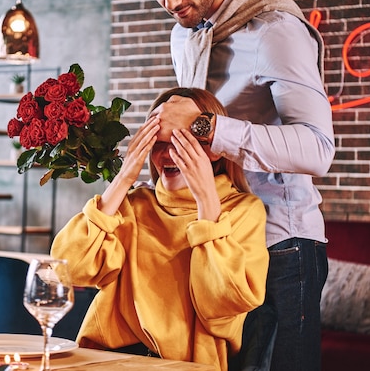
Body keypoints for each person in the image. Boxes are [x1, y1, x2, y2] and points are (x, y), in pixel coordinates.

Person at [119, 0, 336, 370]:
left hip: (280, 246)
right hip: (214, 243)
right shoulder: (184, 37)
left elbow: (317, 149)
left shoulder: (276, 32)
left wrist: (209, 127)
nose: (170, 1)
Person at [50, 87, 269, 371]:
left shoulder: (242, 210)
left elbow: (223, 303)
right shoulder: (135, 204)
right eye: (157, 142)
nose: (167, 155)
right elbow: (68, 268)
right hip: (106, 359)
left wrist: (206, 202)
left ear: (214, 149)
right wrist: (124, 178)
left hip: (184, 365)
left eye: (181, 142)